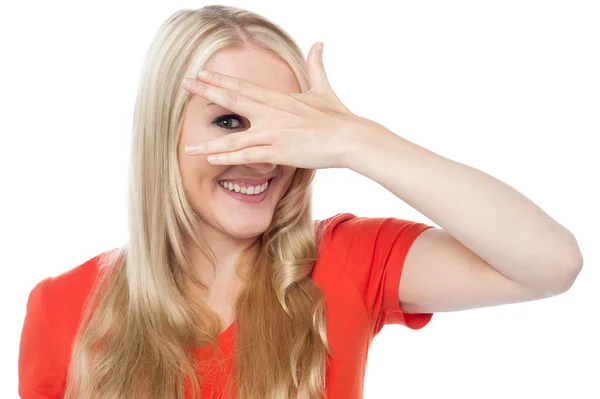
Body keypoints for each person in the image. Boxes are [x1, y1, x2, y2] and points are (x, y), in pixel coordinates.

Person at [17, 5, 583, 399]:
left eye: (286, 124)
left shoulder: (344, 262)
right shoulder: (63, 307)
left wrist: (355, 139)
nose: (263, 156)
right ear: (161, 133)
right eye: (231, 122)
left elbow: (550, 262)